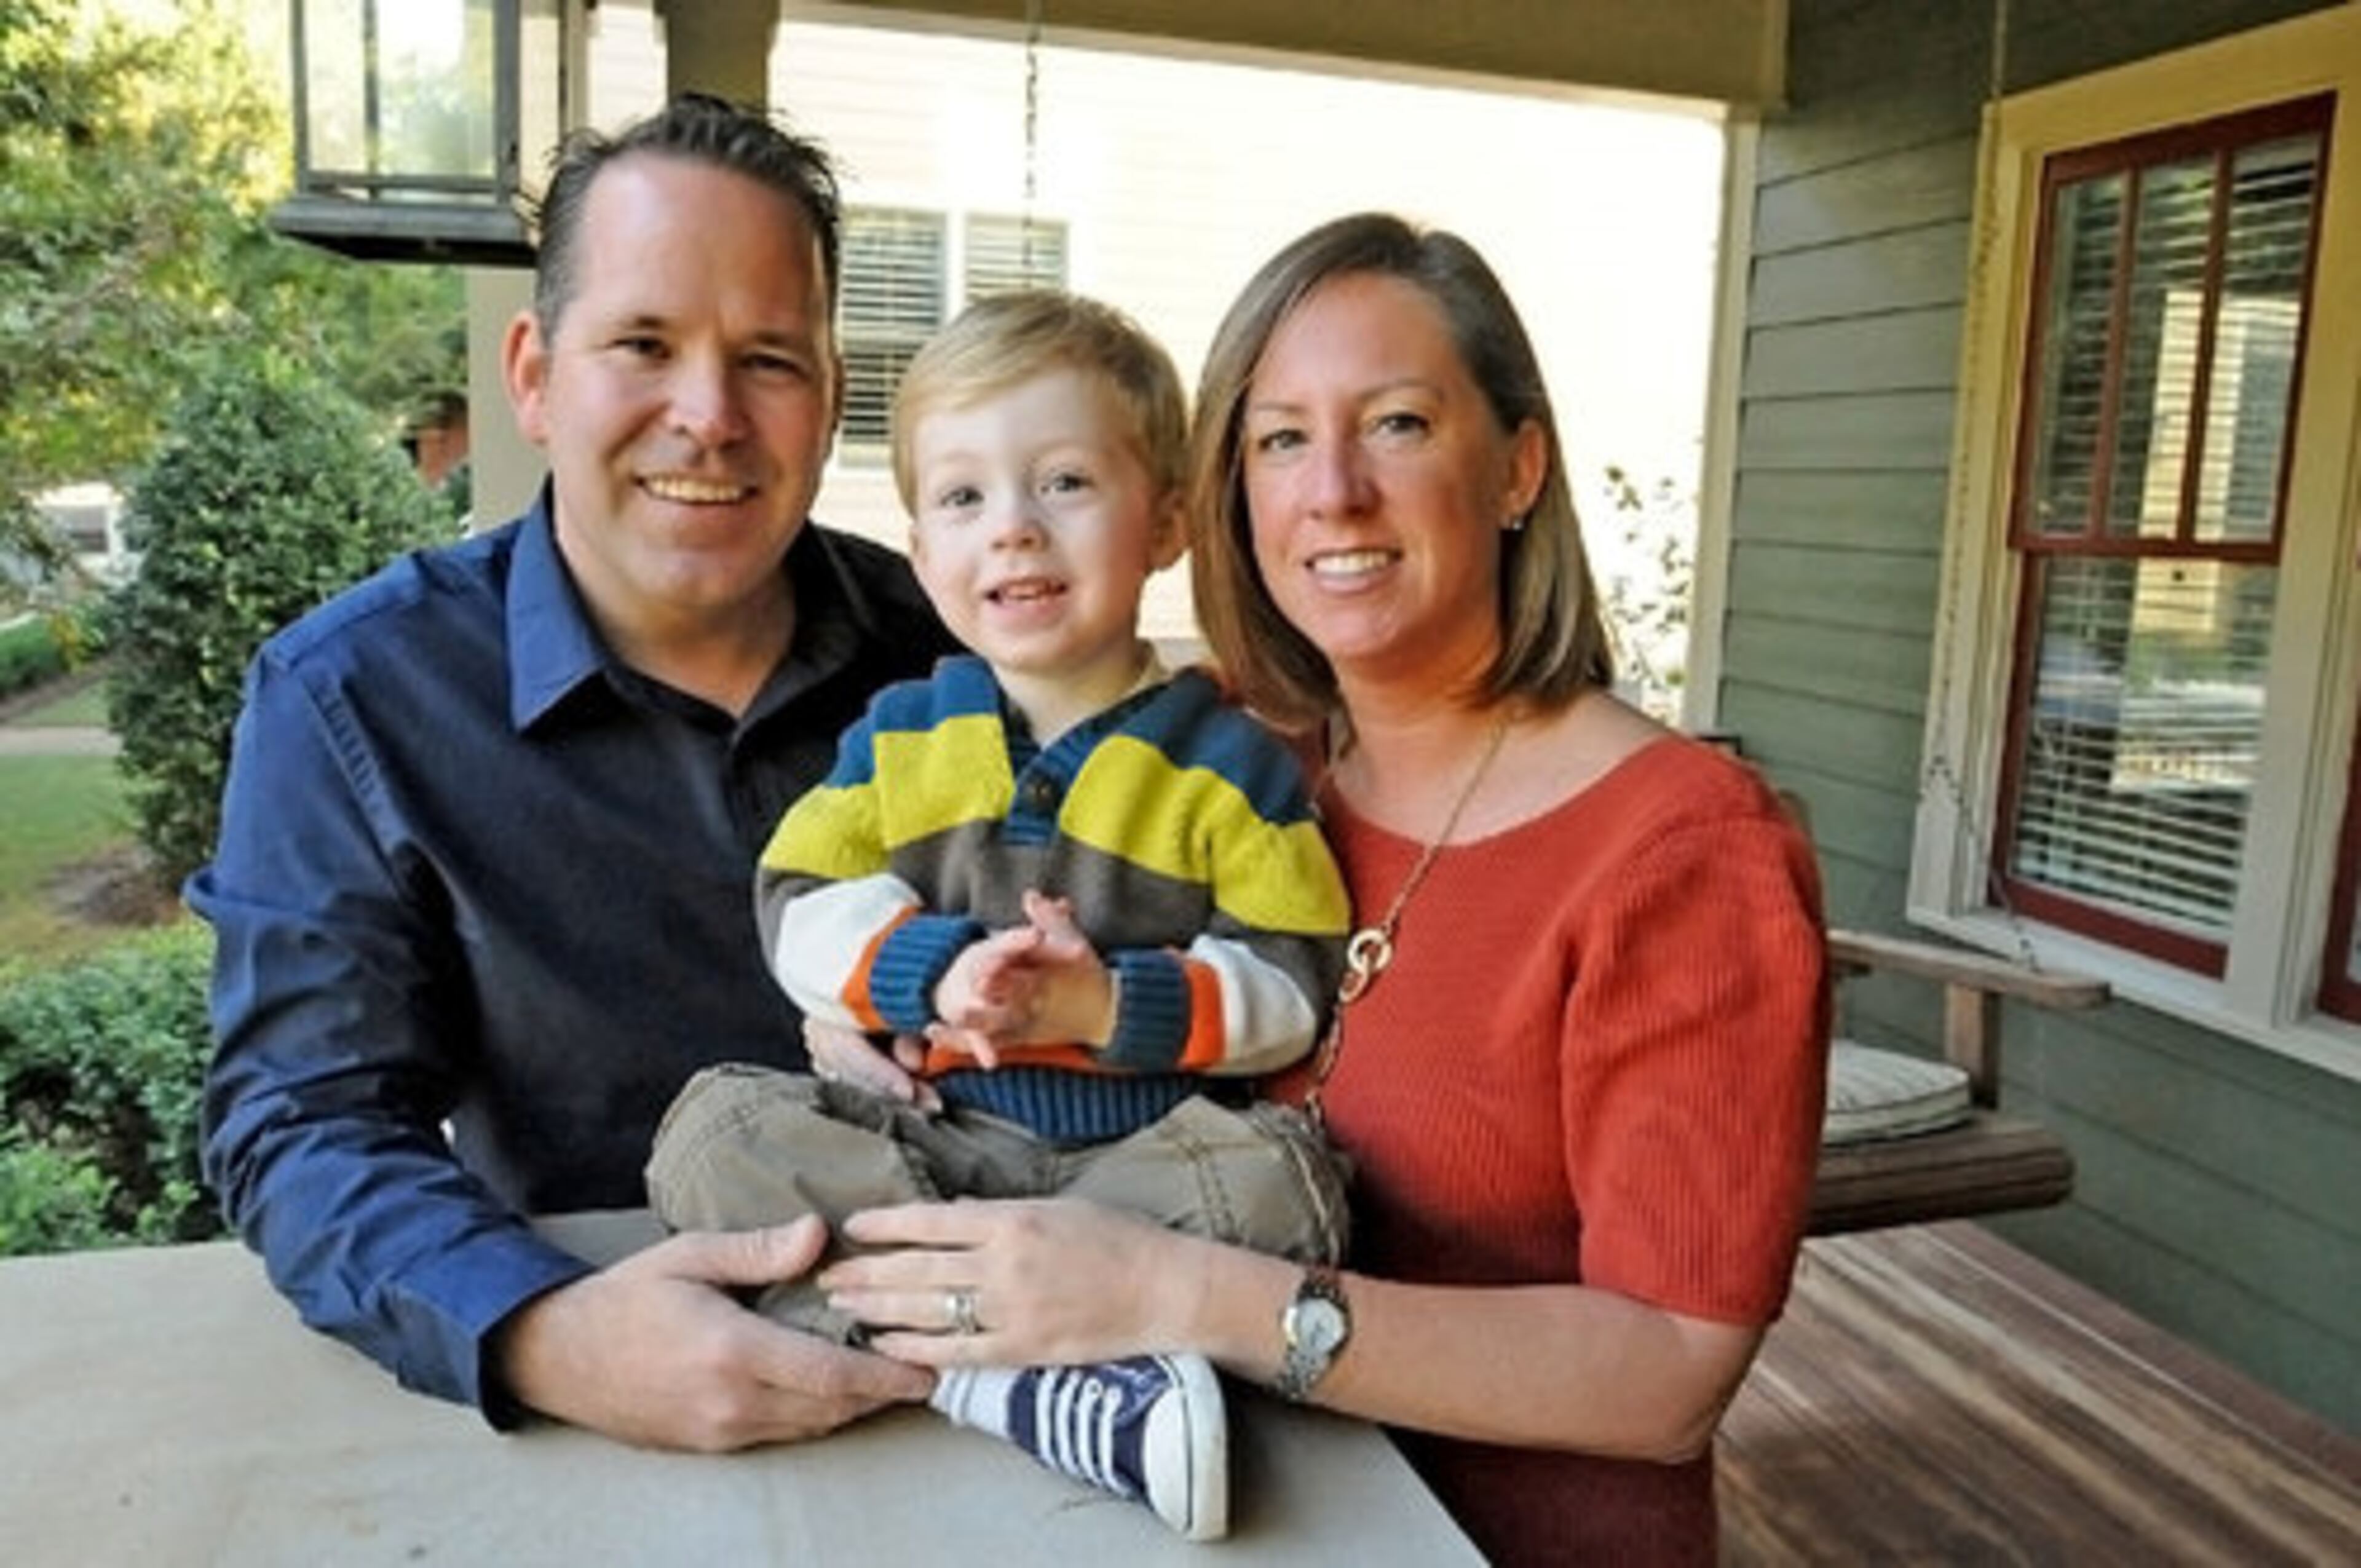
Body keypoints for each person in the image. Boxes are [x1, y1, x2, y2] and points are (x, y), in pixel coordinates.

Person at [809, 213, 1831, 1566]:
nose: (1334, 490)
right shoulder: (1228, 772)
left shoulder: (1685, 852)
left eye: (1398, 424)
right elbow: (989, 941)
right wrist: (866, 1018)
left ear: (1517, 466)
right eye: (1282, 438)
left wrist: (1182, 1293)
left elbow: (1669, 1374)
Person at [190, 94, 962, 1451]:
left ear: (832, 399)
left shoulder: (958, 662)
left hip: (989, 1378)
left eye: (771, 359)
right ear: (536, 375)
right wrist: (545, 1332)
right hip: (596, 1417)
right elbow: (301, 1123)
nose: (710, 416)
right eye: (644, 345)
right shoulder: (353, 698)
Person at [644, 290, 1352, 1540]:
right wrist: (928, 971)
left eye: (1066, 483)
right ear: (923, 553)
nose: (1014, 532)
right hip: (934, 1147)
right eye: (964, 500)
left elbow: (1290, 977)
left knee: (1291, 1188)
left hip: (1131, 1182)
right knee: (714, 1133)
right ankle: (1028, 1373)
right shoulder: (902, 736)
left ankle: (967, 1330)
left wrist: (1103, 1003)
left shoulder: (1230, 762)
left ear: (1170, 522)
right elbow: (800, 900)